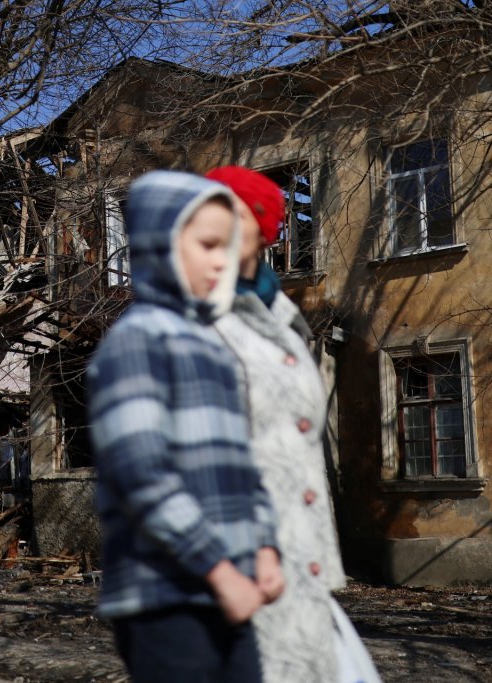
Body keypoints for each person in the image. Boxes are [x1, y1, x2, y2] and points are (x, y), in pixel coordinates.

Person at [87, 170, 284, 683]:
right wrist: (219, 570)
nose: (224, 260)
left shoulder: (215, 348)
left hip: (230, 588)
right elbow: (141, 476)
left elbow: (246, 467)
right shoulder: (138, 342)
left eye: (230, 245)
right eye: (208, 245)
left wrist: (265, 547)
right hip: (166, 596)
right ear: (160, 244)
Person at [207, 165, 381, 683]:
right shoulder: (189, 317)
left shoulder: (283, 319)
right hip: (235, 563)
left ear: (263, 229)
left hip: (300, 561)